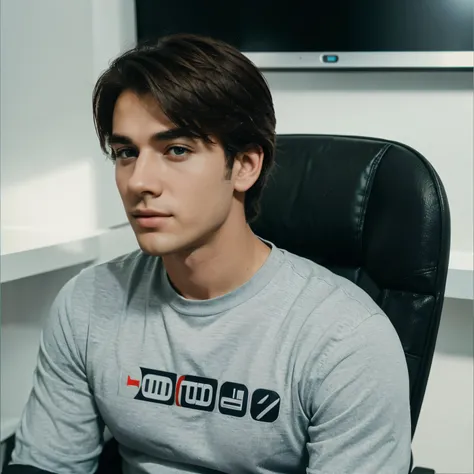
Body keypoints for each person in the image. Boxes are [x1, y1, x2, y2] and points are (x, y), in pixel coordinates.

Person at [5, 34, 411, 474]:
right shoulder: (87, 302)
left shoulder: (345, 337)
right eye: (126, 153)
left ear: (244, 166)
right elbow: (46, 465)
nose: (139, 181)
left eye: (176, 150)